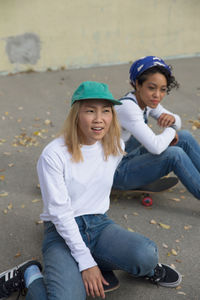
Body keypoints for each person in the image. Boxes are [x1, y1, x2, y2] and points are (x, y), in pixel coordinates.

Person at [0, 81, 181, 300]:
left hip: (99, 225)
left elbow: (145, 144)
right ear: (76, 114)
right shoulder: (54, 155)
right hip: (61, 232)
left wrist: (171, 133)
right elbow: (60, 213)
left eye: (106, 111)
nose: (99, 118)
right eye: (90, 111)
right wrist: (85, 263)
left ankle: (113, 263)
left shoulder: (115, 146)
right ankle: (29, 273)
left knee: (146, 255)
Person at [113, 56, 200, 200]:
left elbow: (176, 122)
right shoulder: (128, 108)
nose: (157, 95)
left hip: (131, 157)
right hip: (117, 173)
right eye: (151, 88)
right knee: (174, 155)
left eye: (163, 89)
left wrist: (173, 121)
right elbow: (156, 147)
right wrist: (171, 131)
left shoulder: (146, 100)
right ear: (137, 84)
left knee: (184, 137)